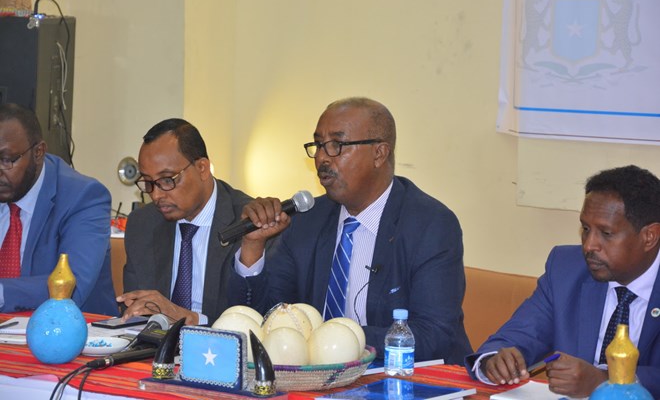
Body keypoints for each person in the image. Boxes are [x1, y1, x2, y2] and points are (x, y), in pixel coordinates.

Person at [229, 97, 471, 363]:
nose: (322, 157)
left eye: (337, 145)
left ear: (379, 154)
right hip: (319, 381)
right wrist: (253, 248)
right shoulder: (306, 221)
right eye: (319, 145)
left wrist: (334, 342)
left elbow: (433, 334)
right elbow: (268, 318)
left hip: (402, 375)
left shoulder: (430, 225)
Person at [465, 165, 660, 398]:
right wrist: (494, 361)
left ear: (649, 236)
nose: (589, 245)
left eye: (606, 233)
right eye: (585, 229)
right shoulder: (566, 269)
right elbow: (515, 336)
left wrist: (605, 380)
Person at [118, 119, 253, 325]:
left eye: (167, 180)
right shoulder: (142, 224)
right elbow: (134, 310)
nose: (156, 195)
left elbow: (255, 317)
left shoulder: (248, 221)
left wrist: (191, 320)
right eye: (148, 182)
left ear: (202, 168)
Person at [0, 103, 116, 315]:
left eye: (7, 160)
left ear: (38, 152)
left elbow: (71, 286)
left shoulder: (84, 197)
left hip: (75, 330)